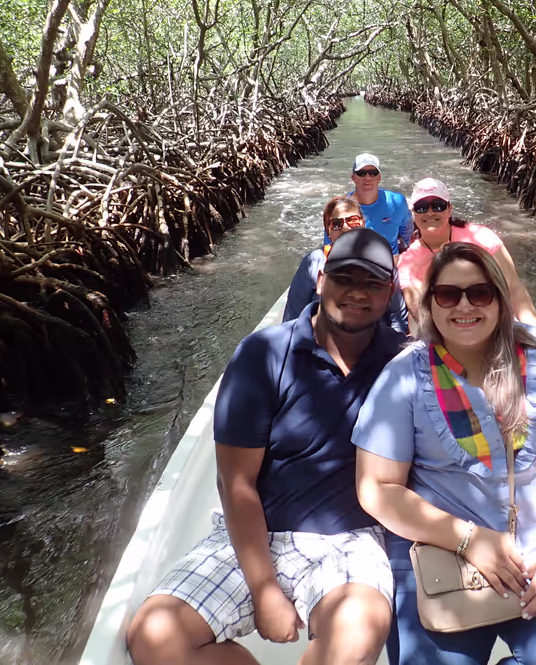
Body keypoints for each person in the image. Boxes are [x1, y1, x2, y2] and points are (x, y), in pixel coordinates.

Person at [128, 229, 408, 665]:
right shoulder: (263, 355)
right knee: (154, 636)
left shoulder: (404, 361)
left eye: (372, 283)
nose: (358, 293)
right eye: (344, 278)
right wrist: (264, 589)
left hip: (351, 538)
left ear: (390, 292)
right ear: (320, 279)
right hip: (255, 531)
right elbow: (235, 481)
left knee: (353, 642)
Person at [352, 242, 536, 665]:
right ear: (429, 304)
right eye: (448, 294)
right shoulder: (403, 377)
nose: (464, 306)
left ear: (500, 298)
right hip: (446, 557)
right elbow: (376, 488)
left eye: (480, 293)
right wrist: (469, 539)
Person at [397, 178, 536, 327]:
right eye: (422, 207)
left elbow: (513, 287)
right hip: (446, 327)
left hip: (491, 318)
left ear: (449, 209)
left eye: (438, 206)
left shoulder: (481, 237)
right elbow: (419, 309)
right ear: (413, 213)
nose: (430, 213)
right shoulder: (409, 261)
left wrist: (535, 332)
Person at [285, 195, 409, 333]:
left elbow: (397, 316)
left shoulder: (383, 261)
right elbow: (293, 314)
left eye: (353, 221)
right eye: (336, 224)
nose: (345, 228)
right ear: (328, 231)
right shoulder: (314, 262)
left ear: (362, 223)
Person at [324, 154, 413, 257]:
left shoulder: (397, 202)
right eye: (361, 173)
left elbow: (409, 236)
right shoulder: (340, 209)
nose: (367, 177)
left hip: (390, 264)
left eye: (373, 173)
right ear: (353, 177)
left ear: (379, 177)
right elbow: (329, 246)